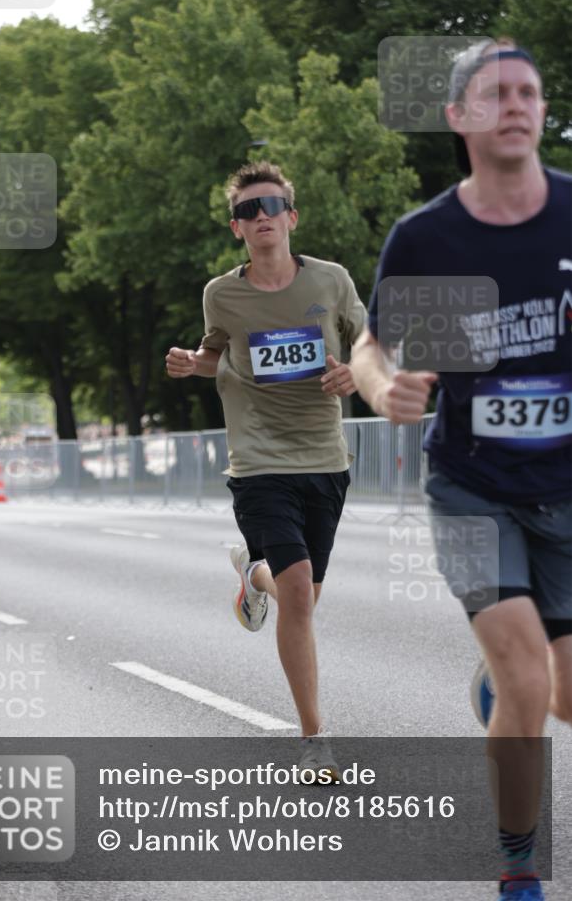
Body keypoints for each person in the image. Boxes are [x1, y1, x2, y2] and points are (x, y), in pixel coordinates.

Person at [351, 39, 572, 900]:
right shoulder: (431, 237)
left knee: (559, 700)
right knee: (526, 679)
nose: (515, 104)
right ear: (459, 118)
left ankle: (497, 682)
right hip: (470, 489)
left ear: (542, 112)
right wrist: (382, 390)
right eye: (494, 93)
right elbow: (373, 346)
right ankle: (519, 867)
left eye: (529, 92)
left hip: (564, 490)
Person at [166, 161, 366, 778]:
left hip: (324, 458)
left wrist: (357, 372)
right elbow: (216, 356)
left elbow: (376, 348)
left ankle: (254, 577)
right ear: (237, 229)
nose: (261, 218)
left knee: (301, 598)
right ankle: (314, 741)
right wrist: (187, 363)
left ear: (291, 217)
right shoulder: (221, 294)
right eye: (248, 211)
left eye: (271, 206)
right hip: (256, 462)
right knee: (300, 591)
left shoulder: (331, 282)